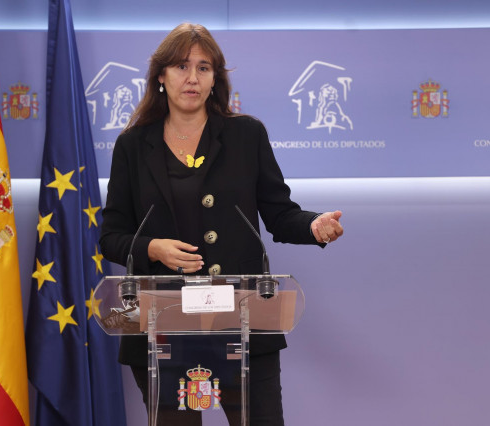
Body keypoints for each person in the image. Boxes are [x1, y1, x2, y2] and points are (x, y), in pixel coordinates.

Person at [99, 23, 343, 426]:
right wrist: (152, 248)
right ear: (161, 76)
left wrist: (313, 225)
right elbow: (111, 237)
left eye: (204, 67)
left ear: (216, 78)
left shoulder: (246, 136)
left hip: (241, 322)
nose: (192, 78)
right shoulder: (132, 145)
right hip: (162, 326)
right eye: (181, 66)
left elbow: (280, 215)